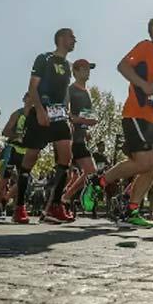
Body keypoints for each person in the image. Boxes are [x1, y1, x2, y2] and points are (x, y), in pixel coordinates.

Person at [80, 18, 153, 228]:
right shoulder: (145, 46)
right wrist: (143, 84)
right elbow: (122, 66)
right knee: (143, 163)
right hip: (136, 114)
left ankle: (131, 210)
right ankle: (98, 182)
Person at [11, 29, 78, 225]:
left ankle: (54, 207)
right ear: (60, 39)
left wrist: (68, 117)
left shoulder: (68, 65)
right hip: (40, 114)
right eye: (71, 37)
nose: (75, 40)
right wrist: (39, 109)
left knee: (66, 158)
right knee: (31, 159)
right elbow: (33, 87)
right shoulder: (44, 58)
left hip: (60, 118)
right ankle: (19, 207)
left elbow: (65, 92)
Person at [57, 59, 99, 210]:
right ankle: (54, 203)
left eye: (89, 69)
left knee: (91, 171)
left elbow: (85, 115)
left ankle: (65, 197)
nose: (87, 72)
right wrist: (81, 120)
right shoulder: (70, 90)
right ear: (75, 71)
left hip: (80, 139)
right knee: (66, 174)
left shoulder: (87, 91)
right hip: (68, 139)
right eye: (84, 69)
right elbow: (65, 113)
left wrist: (86, 128)